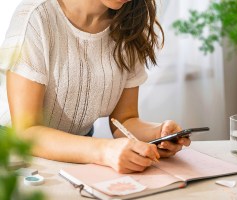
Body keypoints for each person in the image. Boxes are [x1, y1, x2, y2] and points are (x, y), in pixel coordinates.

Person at [0, 0, 191, 174]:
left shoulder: (129, 25)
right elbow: (26, 132)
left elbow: (125, 120)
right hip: (15, 157)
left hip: (78, 158)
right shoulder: (36, 17)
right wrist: (103, 150)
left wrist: (159, 134)